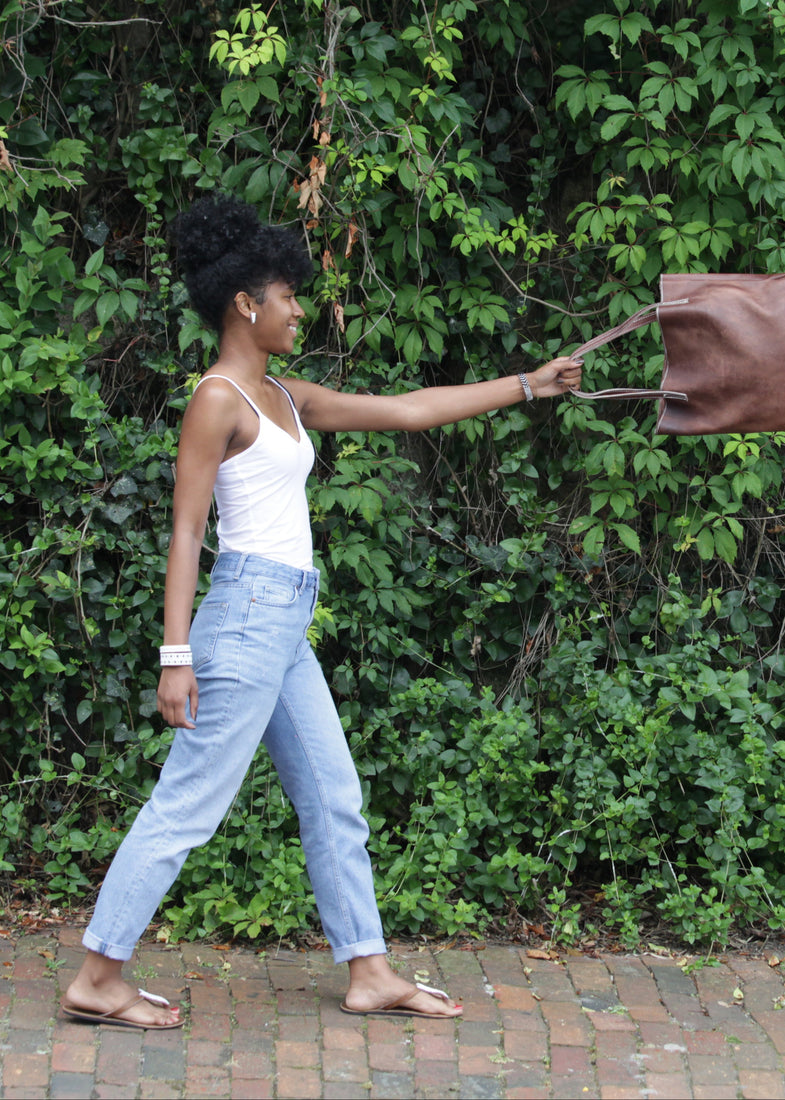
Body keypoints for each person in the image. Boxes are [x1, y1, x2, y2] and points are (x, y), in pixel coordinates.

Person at [60, 192, 583, 1029]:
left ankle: (369, 970)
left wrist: (528, 385)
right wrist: (173, 655)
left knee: (334, 793)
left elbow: (408, 409)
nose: (300, 309)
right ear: (247, 303)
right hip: (242, 614)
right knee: (189, 803)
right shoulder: (218, 400)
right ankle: (97, 973)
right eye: (289, 296)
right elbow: (187, 532)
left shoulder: (287, 397)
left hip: (284, 619)